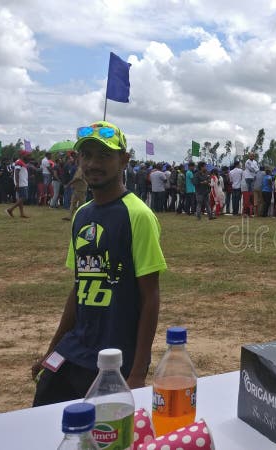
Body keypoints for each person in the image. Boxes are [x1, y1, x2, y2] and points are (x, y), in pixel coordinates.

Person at [32, 121, 166, 406]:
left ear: (124, 160)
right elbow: (78, 287)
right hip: (74, 348)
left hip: (113, 358)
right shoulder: (81, 214)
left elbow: (150, 296)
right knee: (45, 407)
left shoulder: (137, 215)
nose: (93, 163)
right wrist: (51, 349)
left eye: (104, 155)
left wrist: (138, 373)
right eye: (87, 155)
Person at [63, 156, 87, 221]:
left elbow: (76, 178)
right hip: (78, 189)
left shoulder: (80, 169)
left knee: (81, 204)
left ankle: (82, 217)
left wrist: (68, 184)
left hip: (80, 189)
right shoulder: (81, 168)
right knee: (73, 203)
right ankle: (69, 216)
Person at [6, 154, 30, 218]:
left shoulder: (21, 162)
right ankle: (11, 209)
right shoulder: (19, 162)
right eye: (27, 156)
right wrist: (17, 183)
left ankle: (22, 213)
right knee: (24, 197)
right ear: (23, 155)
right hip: (21, 183)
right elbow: (16, 172)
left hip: (22, 182)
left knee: (21, 198)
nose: (28, 157)